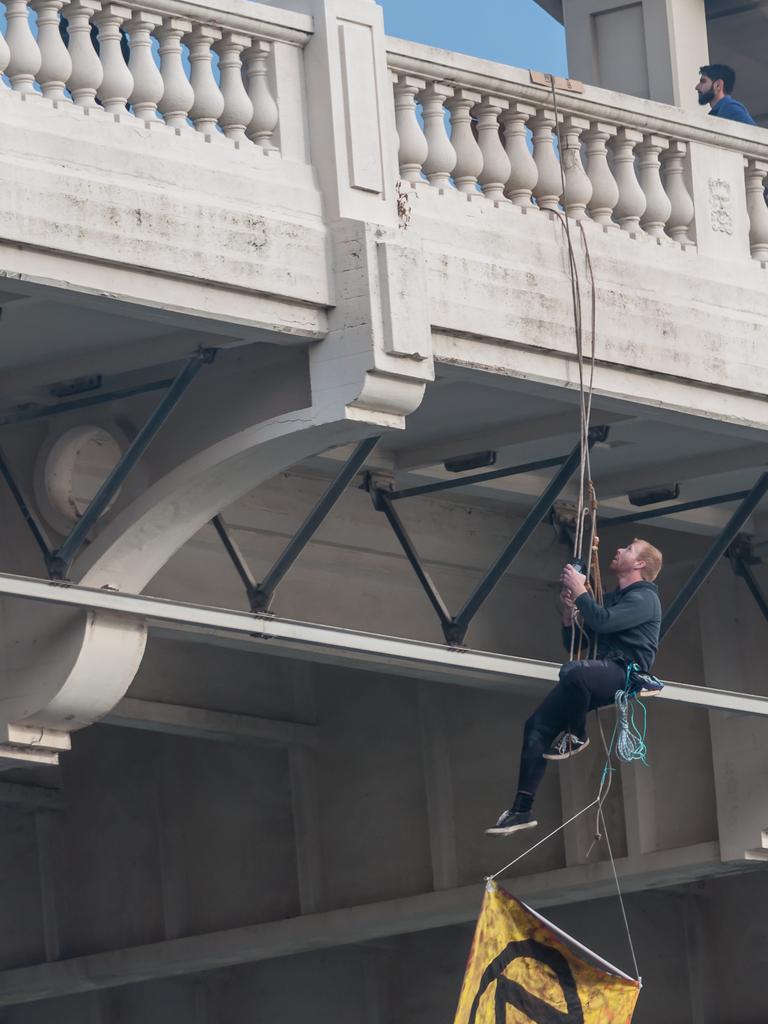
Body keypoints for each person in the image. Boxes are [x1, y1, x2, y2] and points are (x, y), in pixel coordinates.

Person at [486, 539, 663, 837]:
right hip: (598, 674)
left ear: (640, 564)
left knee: (572, 672)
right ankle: (521, 809)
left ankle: (577, 735)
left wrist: (581, 592)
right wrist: (570, 613)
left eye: (628, 549)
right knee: (536, 726)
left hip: (624, 674)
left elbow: (603, 623)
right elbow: (576, 643)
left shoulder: (645, 598)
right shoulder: (613, 599)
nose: (618, 550)